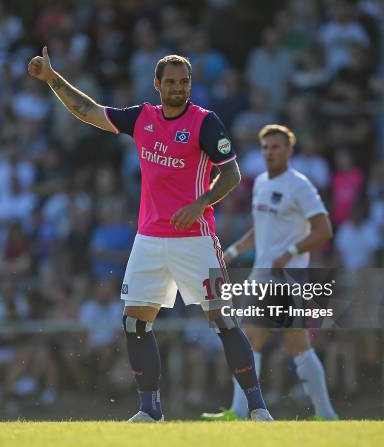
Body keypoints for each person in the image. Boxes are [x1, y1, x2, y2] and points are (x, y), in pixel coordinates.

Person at [28, 48, 272, 422]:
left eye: (184, 81)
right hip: (149, 240)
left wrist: (200, 202)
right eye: (171, 81)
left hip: (196, 238)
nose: (178, 87)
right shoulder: (142, 118)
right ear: (157, 84)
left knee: (223, 320)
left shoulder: (206, 122)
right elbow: (88, 111)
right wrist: (52, 79)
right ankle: (150, 410)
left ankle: (257, 407)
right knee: (134, 322)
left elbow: (233, 174)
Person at [201, 124, 338, 420]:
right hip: (262, 274)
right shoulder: (261, 182)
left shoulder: (299, 185)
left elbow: (324, 229)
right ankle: (243, 411)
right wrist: (234, 251)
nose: (270, 152)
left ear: (289, 151)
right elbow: (260, 227)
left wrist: (290, 253)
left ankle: (324, 414)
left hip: (286, 276)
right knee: (257, 341)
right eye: (265, 148)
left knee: (291, 344)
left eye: (276, 147)